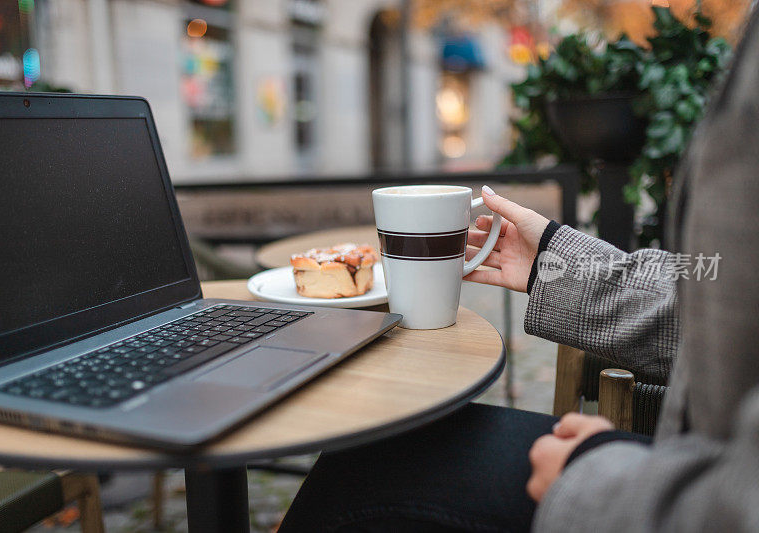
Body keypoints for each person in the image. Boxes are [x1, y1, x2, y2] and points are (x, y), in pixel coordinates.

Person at [278, 8, 759, 533]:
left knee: (355, 477)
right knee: (360, 460)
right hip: (686, 470)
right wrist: (550, 263)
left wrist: (595, 483)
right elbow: (708, 303)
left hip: (682, 494)